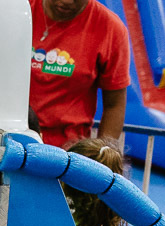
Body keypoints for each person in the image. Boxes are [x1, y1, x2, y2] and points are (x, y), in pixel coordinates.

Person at [29, 0, 130, 147]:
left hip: (68, 148)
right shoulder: (17, 10)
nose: (67, 1)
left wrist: (103, 152)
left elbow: (114, 104)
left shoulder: (111, 28)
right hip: (11, 136)